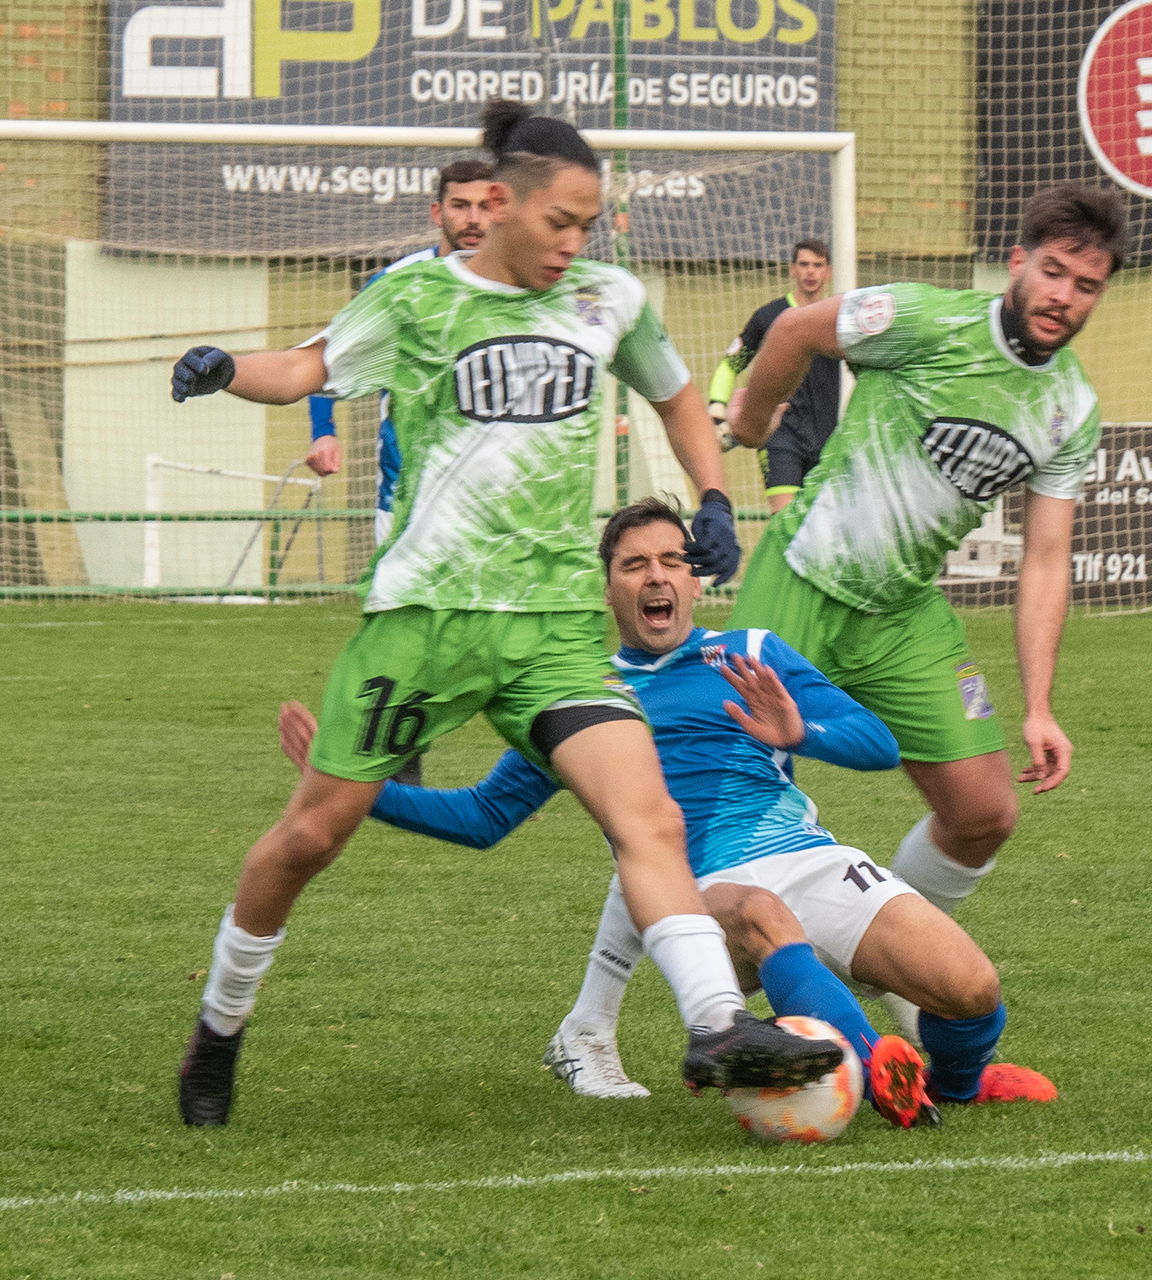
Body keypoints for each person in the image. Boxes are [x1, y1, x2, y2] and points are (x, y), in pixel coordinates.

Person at [167, 99, 837, 1129]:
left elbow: (673, 396)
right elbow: (305, 369)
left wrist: (712, 495)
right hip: (426, 622)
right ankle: (220, 1024)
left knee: (649, 816)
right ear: (500, 204)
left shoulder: (610, 299)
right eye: (560, 221)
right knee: (311, 835)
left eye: (588, 224)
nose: (575, 241)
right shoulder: (417, 294)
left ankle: (715, 1024)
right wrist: (226, 369)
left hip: (553, 630)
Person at [280, 498, 1058, 1125]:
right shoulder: (576, 695)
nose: (658, 577)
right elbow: (483, 817)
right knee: (761, 914)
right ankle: (873, 1069)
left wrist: (800, 732)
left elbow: (879, 743)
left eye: (672, 561)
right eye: (635, 565)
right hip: (699, 893)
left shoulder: (752, 650)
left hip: (808, 855)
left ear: (693, 580)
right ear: (608, 588)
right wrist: (361, 789)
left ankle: (955, 1086)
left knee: (972, 989)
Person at [726, 184, 1125, 1038]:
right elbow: (794, 331)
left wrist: (1041, 705)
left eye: (1086, 285)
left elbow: (1045, 559)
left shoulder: (1072, 408)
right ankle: (613, 1021)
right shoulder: (924, 319)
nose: (1064, 295)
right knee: (720, 791)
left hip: (901, 612)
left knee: (984, 812)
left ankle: (891, 967)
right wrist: (751, 425)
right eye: (1054, 271)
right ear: (1017, 264)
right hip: (801, 577)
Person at [303, 157, 495, 786]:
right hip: (407, 507)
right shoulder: (398, 284)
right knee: (405, 639)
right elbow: (325, 360)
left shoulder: (522, 286)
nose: (473, 219)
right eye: (460, 205)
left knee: (494, 638)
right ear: (437, 211)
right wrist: (324, 432)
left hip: (494, 509)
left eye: (484, 205)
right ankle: (393, 768)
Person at [704, 238, 840, 512]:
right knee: (783, 520)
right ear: (792, 269)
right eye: (804, 264)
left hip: (828, 439)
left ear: (828, 272)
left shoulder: (838, 319)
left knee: (820, 525)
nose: (810, 271)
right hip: (779, 435)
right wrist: (717, 410)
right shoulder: (768, 317)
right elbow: (731, 365)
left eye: (818, 265)